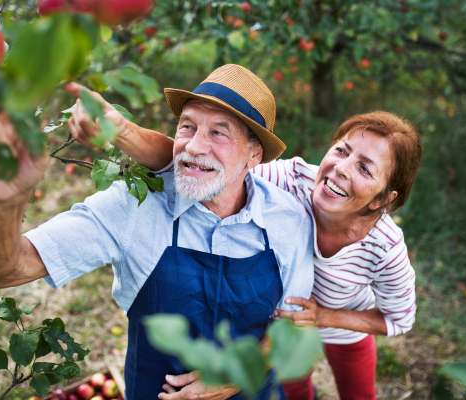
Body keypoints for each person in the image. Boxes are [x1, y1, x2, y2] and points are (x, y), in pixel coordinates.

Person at [0, 64, 315, 400]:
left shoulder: (288, 220)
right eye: (187, 127)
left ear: (254, 154)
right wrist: (6, 201)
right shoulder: (134, 206)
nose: (193, 147)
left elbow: (292, 325)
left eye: (218, 133)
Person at [118, 111, 422, 400]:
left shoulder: (383, 247)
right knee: (293, 390)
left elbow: (398, 318)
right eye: (342, 151)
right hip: (283, 324)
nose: (341, 168)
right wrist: (120, 130)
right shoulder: (290, 180)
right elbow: (211, 165)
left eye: (365, 168)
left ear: (383, 197)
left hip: (345, 328)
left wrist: (324, 317)